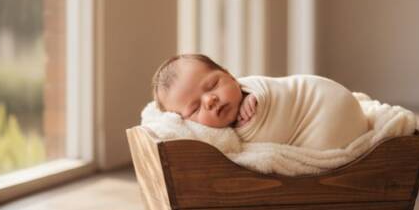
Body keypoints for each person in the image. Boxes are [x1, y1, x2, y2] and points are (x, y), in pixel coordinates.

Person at [151, 54, 370, 150]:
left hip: (325, 109)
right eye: (195, 108)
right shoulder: (213, 136)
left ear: (230, 75)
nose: (210, 100)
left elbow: (278, 96)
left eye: (212, 85)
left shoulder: (255, 89)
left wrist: (258, 99)